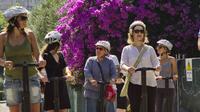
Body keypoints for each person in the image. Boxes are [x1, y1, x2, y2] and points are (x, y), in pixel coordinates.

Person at [0, 6, 47, 112]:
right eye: (23, 18)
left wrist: (40, 60)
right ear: (14, 20)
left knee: (35, 105)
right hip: (11, 77)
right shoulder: (3, 37)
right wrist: (4, 63)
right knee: (14, 108)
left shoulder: (29, 34)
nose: (26, 20)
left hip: (30, 75)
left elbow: (37, 53)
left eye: (26, 18)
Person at [120, 20, 160, 112]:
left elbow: (155, 62)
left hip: (150, 82)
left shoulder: (149, 49)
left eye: (141, 31)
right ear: (131, 33)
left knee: (151, 108)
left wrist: (157, 67)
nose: (139, 33)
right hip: (134, 82)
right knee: (135, 108)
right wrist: (128, 68)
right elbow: (122, 64)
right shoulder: (127, 49)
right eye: (136, 31)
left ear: (144, 34)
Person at [41, 31, 74, 112]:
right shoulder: (44, 56)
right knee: (51, 109)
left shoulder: (60, 54)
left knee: (63, 109)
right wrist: (43, 77)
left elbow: (65, 67)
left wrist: (69, 74)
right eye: (60, 41)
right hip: (50, 85)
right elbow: (40, 70)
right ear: (57, 43)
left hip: (61, 84)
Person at [84, 40, 117, 112]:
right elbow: (87, 71)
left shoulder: (110, 61)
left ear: (106, 51)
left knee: (109, 108)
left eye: (101, 49)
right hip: (91, 90)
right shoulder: (91, 60)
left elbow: (114, 73)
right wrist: (91, 79)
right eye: (97, 48)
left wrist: (112, 80)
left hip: (106, 91)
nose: (98, 50)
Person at [155, 39, 178, 112]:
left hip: (169, 86)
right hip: (157, 87)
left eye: (160, 46)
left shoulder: (172, 59)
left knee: (168, 108)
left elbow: (175, 73)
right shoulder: (155, 60)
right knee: (157, 108)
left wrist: (175, 77)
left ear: (165, 49)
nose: (157, 48)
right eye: (157, 46)